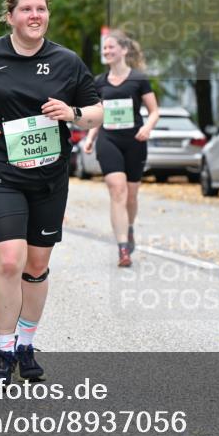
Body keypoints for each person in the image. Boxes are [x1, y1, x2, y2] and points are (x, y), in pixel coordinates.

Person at [0, 0, 103, 385]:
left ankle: (26, 344)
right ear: (10, 15)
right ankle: (3, 350)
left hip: (49, 177)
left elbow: (97, 111)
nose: (35, 16)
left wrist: (73, 111)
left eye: (41, 9)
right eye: (27, 9)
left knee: (37, 264)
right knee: (10, 260)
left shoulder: (67, 61)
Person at [82, 30, 159, 267]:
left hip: (134, 140)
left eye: (110, 47)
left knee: (131, 195)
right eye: (104, 49)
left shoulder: (138, 79)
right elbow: (97, 115)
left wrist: (148, 127)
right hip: (109, 140)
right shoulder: (99, 82)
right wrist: (90, 137)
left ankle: (130, 227)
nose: (106, 52)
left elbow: (155, 110)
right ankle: (123, 248)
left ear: (123, 51)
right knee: (117, 190)